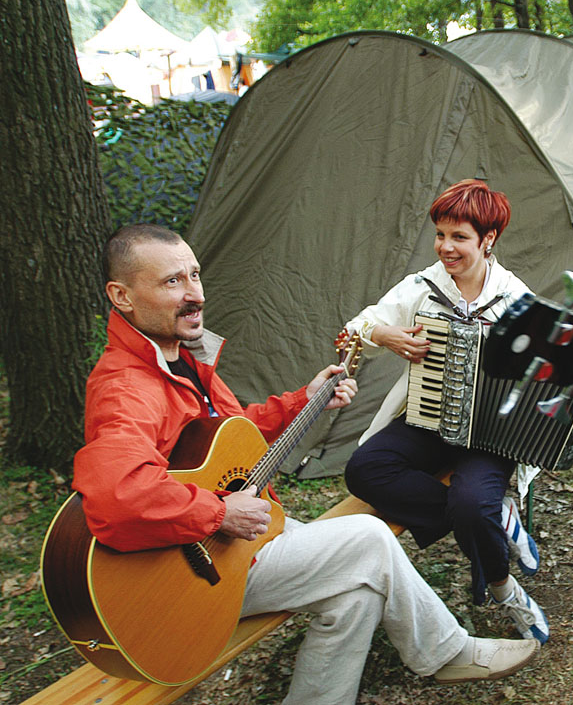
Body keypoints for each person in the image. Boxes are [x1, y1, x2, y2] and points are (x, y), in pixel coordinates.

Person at [74, 223, 538, 705]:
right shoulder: (126, 387)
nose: (194, 295)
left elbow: (222, 441)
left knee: (356, 596)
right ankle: (449, 652)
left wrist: (303, 400)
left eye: (195, 275)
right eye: (172, 282)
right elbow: (116, 494)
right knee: (368, 538)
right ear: (121, 296)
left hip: (228, 546)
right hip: (190, 573)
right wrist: (220, 513)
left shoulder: (179, 358)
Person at [343, 179, 573, 646]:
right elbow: (355, 329)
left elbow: (559, 370)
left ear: (488, 240)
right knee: (365, 470)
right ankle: (496, 516)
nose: (445, 247)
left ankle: (504, 588)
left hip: (492, 436)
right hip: (428, 417)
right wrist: (385, 335)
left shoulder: (515, 300)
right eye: (440, 234)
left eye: (459, 237)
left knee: (472, 503)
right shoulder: (421, 288)